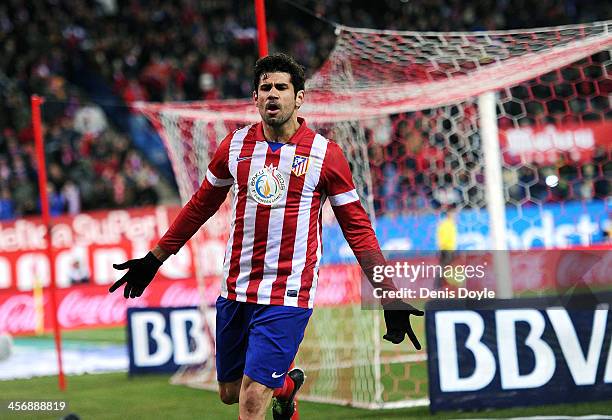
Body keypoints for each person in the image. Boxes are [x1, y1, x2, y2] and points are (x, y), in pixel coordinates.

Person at [109, 53, 423, 420]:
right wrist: (155, 259)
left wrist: (389, 295)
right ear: (255, 98)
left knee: (252, 399)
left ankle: (275, 389)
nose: (273, 94)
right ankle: (287, 387)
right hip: (236, 288)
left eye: (281, 87)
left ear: (299, 97)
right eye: (265, 88)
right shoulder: (235, 147)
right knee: (229, 392)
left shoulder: (326, 156)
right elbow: (199, 206)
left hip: (288, 293)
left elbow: (358, 230)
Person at [434, 207, 458, 289]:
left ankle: (443, 286)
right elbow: (441, 237)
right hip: (446, 249)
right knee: (444, 267)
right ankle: (438, 286)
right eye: (453, 213)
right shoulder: (445, 224)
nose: (455, 215)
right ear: (449, 214)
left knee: (447, 268)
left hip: (450, 249)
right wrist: (443, 247)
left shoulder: (451, 224)